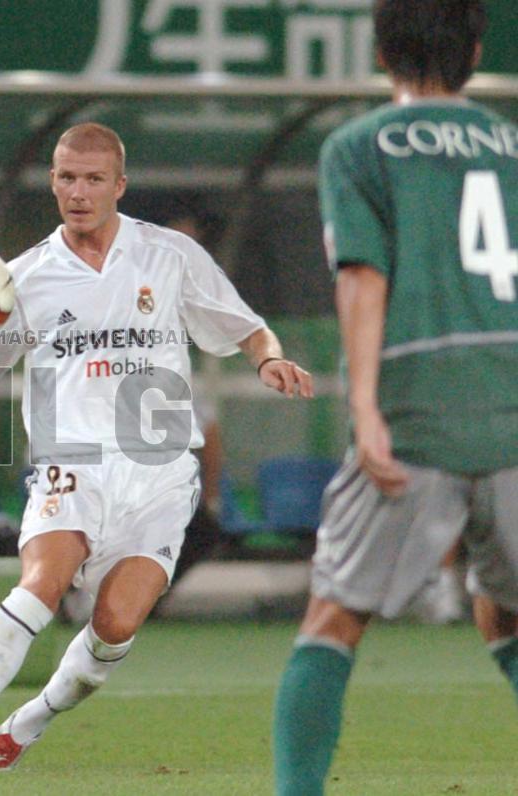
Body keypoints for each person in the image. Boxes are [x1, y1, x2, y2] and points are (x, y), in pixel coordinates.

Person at [0, 123, 314, 772]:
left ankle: (26, 723)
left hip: (160, 477)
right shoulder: (21, 279)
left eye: (94, 179)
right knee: (41, 583)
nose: (78, 191)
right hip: (72, 465)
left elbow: (246, 328)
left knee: (116, 626)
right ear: (54, 183)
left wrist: (270, 360)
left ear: (119, 185)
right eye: (66, 177)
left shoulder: (169, 257)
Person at [272, 3, 518, 793]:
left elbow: (364, 276)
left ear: (381, 52)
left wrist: (367, 407)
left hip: (420, 411)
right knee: (505, 612)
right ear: (477, 49)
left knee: (335, 618)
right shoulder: (513, 146)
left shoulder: (358, 148)